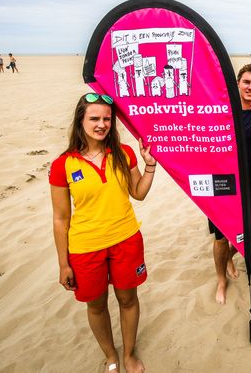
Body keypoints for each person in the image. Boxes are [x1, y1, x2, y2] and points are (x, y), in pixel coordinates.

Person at [49, 93, 156, 373]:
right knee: (96, 306)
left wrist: (150, 166)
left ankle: (129, 354)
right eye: (94, 118)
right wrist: (63, 264)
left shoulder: (124, 152)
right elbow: (61, 219)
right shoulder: (63, 165)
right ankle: (111, 356)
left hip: (126, 240)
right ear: (80, 120)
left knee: (127, 299)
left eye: (107, 118)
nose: (102, 124)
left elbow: (138, 193)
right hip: (86, 247)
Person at [210, 63, 251, 304]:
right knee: (222, 238)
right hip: (223, 184)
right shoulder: (222, 110)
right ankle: (221, 279)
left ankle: (231, 256)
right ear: (237, 83)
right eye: (247, 82)